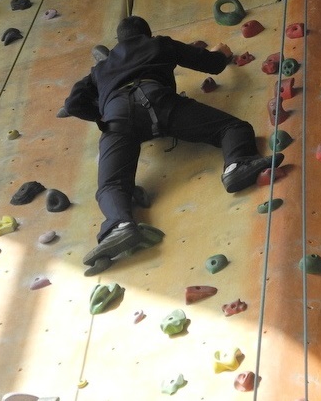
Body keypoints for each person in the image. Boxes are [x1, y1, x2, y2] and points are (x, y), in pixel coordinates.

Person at [64, 16, 283, 271]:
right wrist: (221, 54)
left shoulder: (99, 70)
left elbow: (72, 104)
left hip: (117, 119)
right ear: (147, 33)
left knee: (110, 185)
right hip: (158, 102)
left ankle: (119, 225)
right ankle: (236, 165)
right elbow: (210, 65)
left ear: (118, 40)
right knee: (232, 128)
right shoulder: (158, 44)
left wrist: (101, 115)